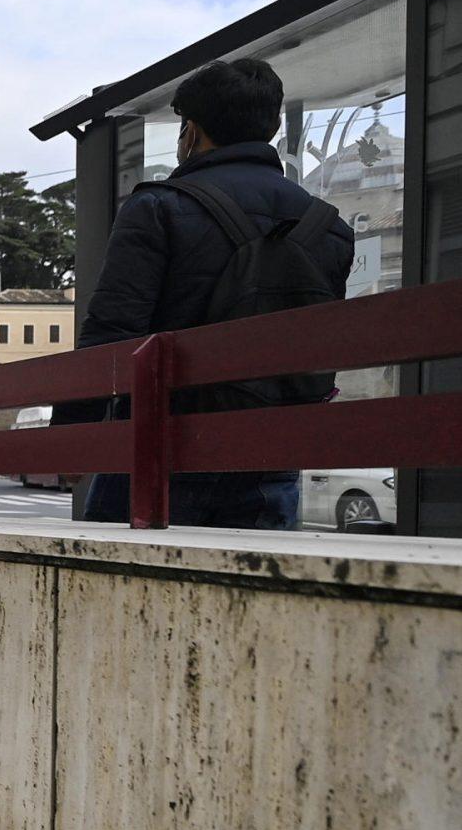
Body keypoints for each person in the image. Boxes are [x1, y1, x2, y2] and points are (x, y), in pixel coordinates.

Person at [73, 57, 355, 529]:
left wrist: (72, 437)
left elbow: (113, 332)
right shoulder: (329, 228)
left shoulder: (157, 209)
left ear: (192, 132)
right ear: (269, 129)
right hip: (272, 456)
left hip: (162, 454)